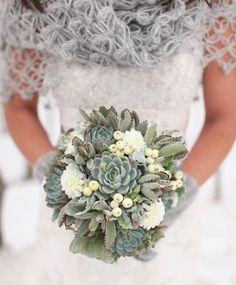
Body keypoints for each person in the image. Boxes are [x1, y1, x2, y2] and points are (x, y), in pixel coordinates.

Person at [0, 0, 235, 284]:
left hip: (166, 220)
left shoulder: (212, 5)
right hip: (70, 214)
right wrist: (58, 180)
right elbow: (19, 108)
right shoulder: (36, 5)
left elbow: (223, 118)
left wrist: (176, 197)